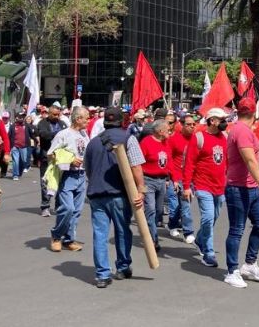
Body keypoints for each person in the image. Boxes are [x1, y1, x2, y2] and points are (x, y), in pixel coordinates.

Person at [83, 106, 145, 288]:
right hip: (119, 193)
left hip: (96, 194)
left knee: (100, 234)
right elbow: (136, 166)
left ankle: (102, 274)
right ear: (122, 121)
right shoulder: (128, 138)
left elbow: (88, 169)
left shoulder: (93, 142)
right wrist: (140, 189)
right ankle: (123, 266)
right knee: (122, 230)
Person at [223, 99, 259, 288]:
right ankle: (232, 271)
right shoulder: (241, 131)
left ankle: (250, 264)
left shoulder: (242, 129)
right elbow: (250, 160)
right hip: (239, 187)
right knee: (237, 230)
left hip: (250, 187)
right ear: (255, 112)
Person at [183, 108, 230, 267]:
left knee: (214, 217)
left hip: (220, 186)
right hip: (203, 185)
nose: (225, 122)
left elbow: (227, 161)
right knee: (208, 217)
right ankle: (208, 252)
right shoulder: (199, 137)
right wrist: (187, 186)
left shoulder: (225, 136)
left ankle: (199, 239)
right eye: (221, 119)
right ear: (212, 121)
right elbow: (189, 163)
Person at [48, 106, 90, 252]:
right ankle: (56, 236)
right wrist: (70, 160)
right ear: (78, 119)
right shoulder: (63, 134)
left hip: (81, 175)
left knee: (77, 210)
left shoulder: (84, 134)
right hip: (67, 175)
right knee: (67, 208)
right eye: (86, 118)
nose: (88, 121)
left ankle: (69, 239)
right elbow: (51, 154)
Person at [138, 119, 172, 251]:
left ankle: (150, 230)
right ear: (160, 131)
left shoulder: (166, 142)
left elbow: (169, 160)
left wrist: (170, 177)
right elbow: (139, 162)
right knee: (151, 210)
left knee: (159, 210)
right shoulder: (146, 142)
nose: (169, 131)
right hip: (148, 180)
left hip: (162, 180)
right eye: (167, 129)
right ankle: (153, 239)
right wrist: (139, 183)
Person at [167, 114, 196, 244]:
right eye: (189, 124)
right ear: (182, 125)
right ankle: (179, 228)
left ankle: (181, 227)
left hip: (190, 179)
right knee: (179, 206)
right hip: (177, 177)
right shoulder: (174, 139)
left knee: (184, 206)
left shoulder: (196, 139)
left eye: (193, 124)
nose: (192, 127)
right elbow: (169, 160)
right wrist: (172, 179)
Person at [36, 105, 68, 216]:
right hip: (47, 157)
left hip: (60, 158)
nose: (56, 116)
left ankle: (59, 205)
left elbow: (67, 136)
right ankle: (45, 206)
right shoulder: (42, 123)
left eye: (58, 114)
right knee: (45, 182)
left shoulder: (62, 124)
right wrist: (58, 135)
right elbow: (44, 135)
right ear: (49, 113)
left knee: (61, 182)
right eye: (54, 114)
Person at [8, 111, 34, 181]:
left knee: (24, 160)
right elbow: (8, 136)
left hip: (24, 146)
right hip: (15, 146)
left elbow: (32, 134)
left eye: (23, 117)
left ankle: (19, 172)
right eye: (20, 117)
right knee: (15, 161)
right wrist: (8, 147)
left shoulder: (26, 125)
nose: (22, 118)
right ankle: (15, 175)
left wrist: (36, 141)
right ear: (16, 118)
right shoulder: (12, 126)